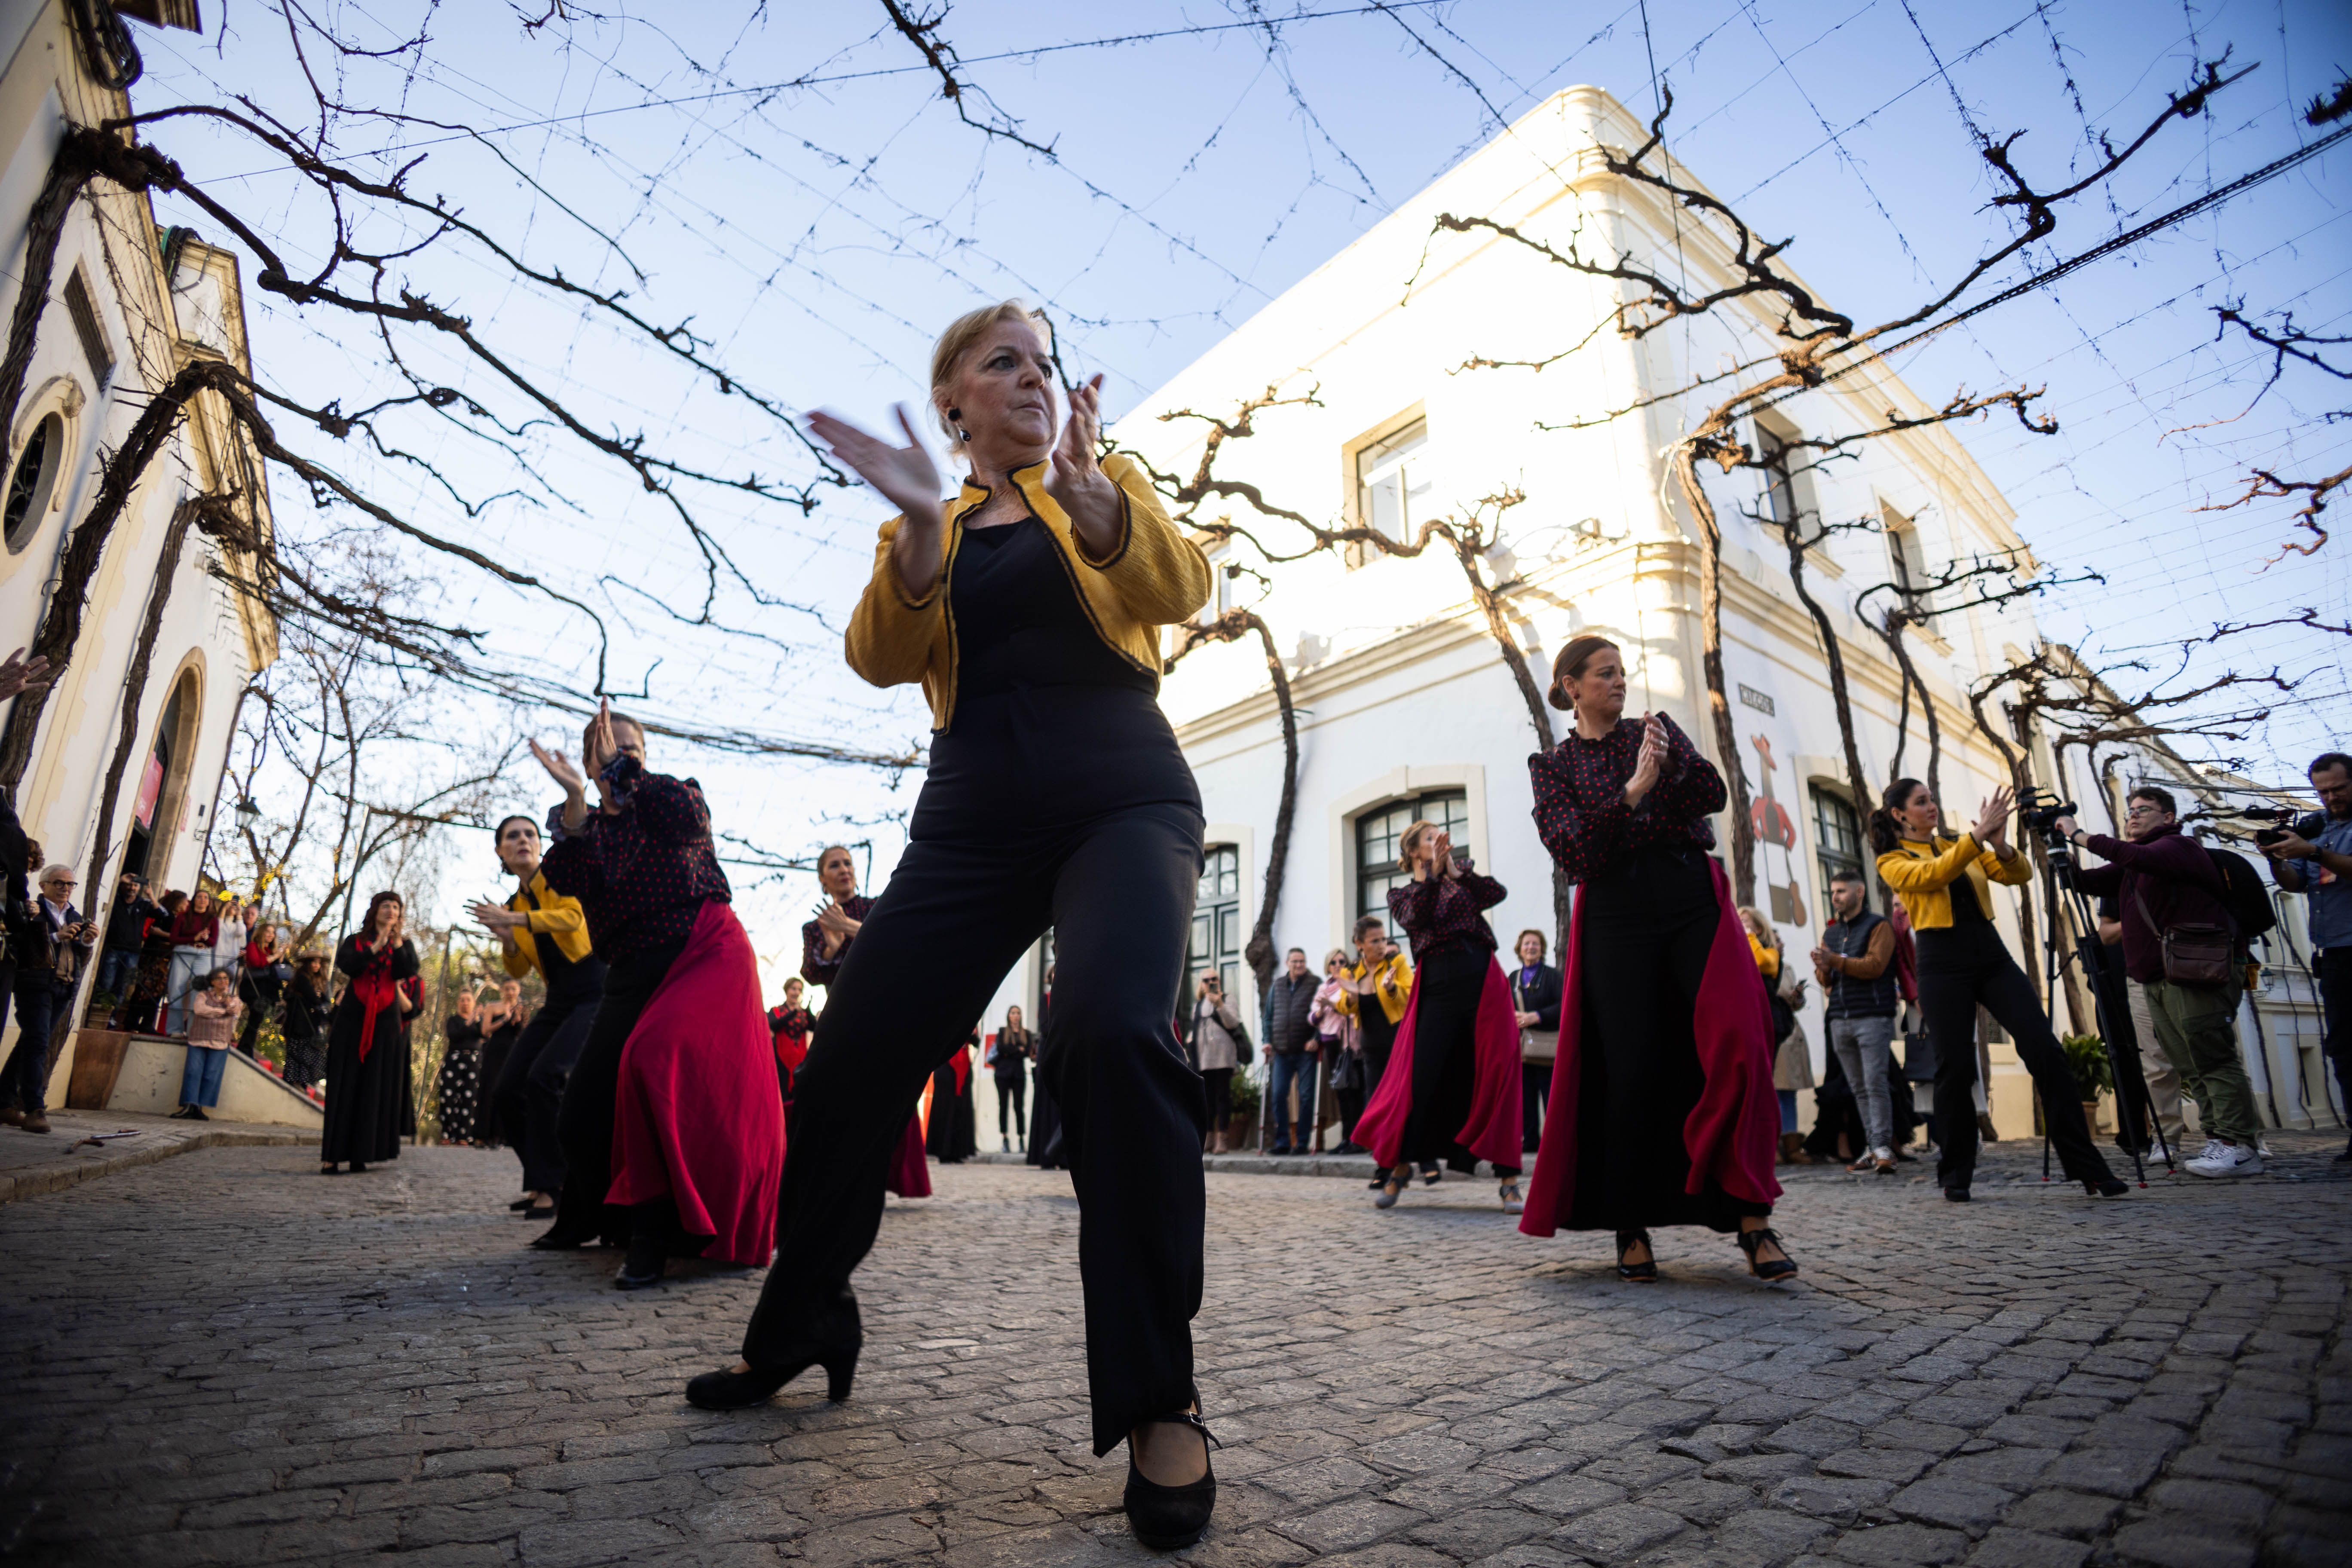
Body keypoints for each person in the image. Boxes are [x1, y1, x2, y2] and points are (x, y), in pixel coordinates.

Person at [695, 300, 1219, 1550]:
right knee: (852, 1061)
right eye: (1004, 363)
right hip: (974, 816)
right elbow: (880, 656)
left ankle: (1161, 1394)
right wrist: (928, 527)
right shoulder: (916, 526)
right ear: (953, 405)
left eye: (1044, 361)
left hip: (1122, 793)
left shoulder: (1103, 481)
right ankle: (807, 1317)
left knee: (1109, 1030)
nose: (1033, 378)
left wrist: (1099, 505)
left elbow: (1183, 585)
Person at [1519, 636, 1794, 1283]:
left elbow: (1713, 795)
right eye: (1605, 674)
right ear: (1571, 686)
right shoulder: (1553, 766)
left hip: (1687, 894)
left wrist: (1667, 766)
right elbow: (1576, 854)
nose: (1620, 682)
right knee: (1630, 1063)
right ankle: (1630, 1225)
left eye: (1622, 672)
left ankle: (1754, 1221)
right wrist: (1633, 791)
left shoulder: (1657, 729)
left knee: (1735, 1043)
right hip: (1614, 914)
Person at [529, 703, 783, 1291]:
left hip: (703, 951)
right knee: (583, 1111)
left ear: (641, 756)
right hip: (629, 971)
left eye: (628, 748)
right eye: (604, 750)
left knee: (651, 1061)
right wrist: (576, 799)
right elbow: (564, 880)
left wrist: (624, 774)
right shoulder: (590, 831)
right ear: (590, 766)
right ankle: (594, 1222)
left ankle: (653, 1239)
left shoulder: (674, 800)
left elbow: (683, 817)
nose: (617, 754)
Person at [1872, 778, 2127, 1203]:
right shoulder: (1893, 860)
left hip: (1990, 954)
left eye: (1932, 798)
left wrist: (2002, 843)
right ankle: (1955, 1173)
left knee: (2046, 1052)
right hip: (1940, 961)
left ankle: (2089, 1168)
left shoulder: (1958, 843)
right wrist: (1976, 838)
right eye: (1921, 802)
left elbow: (2017, 875)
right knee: (1954, 1067)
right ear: (1900, 814)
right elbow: (1934, 875)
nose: (1931, 806)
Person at [2059, 787, 2262, 1178]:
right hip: (2156, 977)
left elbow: (2132, 855)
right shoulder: (2137, 864)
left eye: (2143, 810)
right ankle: (2220, 1140)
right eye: (2130, 811)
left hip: (2195, 971)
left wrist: (2078, 835)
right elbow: (2087, 882)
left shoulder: (2178, 847)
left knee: (2213, 1057)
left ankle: (2242, 1146)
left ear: (2168, 817)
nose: (2133, 817)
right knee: (2190, 1064)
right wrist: (2061, 856)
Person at [1353, 823, 1525, 1214]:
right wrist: (1434, 876)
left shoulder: (1460, 877)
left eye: (1441, 837)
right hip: (1438, 983)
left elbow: (1496, 894)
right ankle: (1399, 1168)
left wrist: (1456, 872)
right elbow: (1417, 917)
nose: (1440, 841)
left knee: (1497, 1071)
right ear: (1414, 851)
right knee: (1421, 1075)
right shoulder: (1402, 894)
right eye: (1430, 838)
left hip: (1482, 975)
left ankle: (1510, 1182)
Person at [472, 813, 605, 1220]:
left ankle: (556, 1186)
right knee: (508, 1089)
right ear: (501, 851)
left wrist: (516, 921)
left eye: (530, 833)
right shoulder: (513, 903)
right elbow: (517, 971)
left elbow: (574, 918)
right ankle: (542, 1179)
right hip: (559, 997)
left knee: (545, 1077)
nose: (523, 840)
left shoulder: (559, 879)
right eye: (513, 836)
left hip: (595, 990)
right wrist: (510, 941)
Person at [800, 847, 928, 1198]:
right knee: (833, 1092)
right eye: (834, 865)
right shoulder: (814, 926)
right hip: (839, 1018)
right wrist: (830, 946)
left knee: (885, 1094)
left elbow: (896, 944)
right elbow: (811, 974)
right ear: (823, 880)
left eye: (847, 863)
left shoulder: (876, 908)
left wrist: (850, 928)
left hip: (881, 1012)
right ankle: (836, 1173)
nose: (843, 869)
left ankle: (880, 1176)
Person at [2266, 751, 2352, 1164]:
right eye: (2323, 792)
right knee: (2344, 1047)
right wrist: (2275, 856)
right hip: (2334, 952)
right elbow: (2296, 883)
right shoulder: (2316, 829)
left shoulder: (2321, 840)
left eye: (2339, 789)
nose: (2331, 798)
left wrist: (2314, 853)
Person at [1810, 869, 1903, 1175]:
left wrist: (1834, 960)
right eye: (1833, 892)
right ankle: (1872, 1147)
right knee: (1858, 1088)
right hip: (1840, 1019)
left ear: (1859, 893)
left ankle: (1882, 1147)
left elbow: (1876, 967)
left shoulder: (1879, 926)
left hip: (1873, 1017)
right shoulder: (1832, 932)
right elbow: (1827, 979)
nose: (1835, 897)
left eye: (1841, 891)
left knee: (1875, 1083)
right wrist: (1822, 967)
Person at [321, 892, 420, 1173]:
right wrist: (377, 945)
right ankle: (332, 1156)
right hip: (353, 1015)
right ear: (375, 910)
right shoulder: (356, 941)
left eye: (396, 907)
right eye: (386, 905)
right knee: (345, 1082)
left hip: (387, 1021)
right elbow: (348, 965)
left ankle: (360, 1155)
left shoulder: (406, 945)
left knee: (374, 1084)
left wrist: (397, 941)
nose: (391, 910)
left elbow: (409, 970)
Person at [1, 865, 96, 1134]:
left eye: (70, 884)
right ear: (43, 885)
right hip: (35, 986)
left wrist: (87, 942)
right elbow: (20, 944)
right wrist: (55, 937)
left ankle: (4, 1102)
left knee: (30, 1043)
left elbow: (79, 957)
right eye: (59, 883)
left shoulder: (75, 915)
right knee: (38, 1042)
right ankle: (34, 1108)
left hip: (63, 988)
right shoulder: (30, 911)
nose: (66, 888)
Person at [1334, 918, 1412, 1174]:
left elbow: (1410, 995)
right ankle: (1383, 1165)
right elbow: (1346, 1007)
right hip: (1370, 1048)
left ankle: (1407, 1160)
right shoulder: (1352, 971)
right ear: (1359, 944)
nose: (1382, 946)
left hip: (1398, 1044)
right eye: (1375, 941)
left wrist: (1392, 988)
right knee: (1376, 1105)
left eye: (1384, 939)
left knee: (1401, 1102)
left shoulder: (1397, 963)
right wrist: (1352, 994)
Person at [1260, 947, 1319, 1155]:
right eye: (1295, 961)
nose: (1299, 965)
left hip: (1305, 1050)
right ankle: (1283, 1142)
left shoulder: (1315, 984)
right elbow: (1268, 1017)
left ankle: (1302, 1142)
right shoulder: (1277, 986)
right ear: (1287, 963)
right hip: (1281, 1051)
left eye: (1302, 961)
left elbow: (1323, 1015)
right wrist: (1267, 1041)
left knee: (1306, 1096)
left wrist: (1316, 1038)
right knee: (1278, 1096)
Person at [1509, 930, 1562, 1157]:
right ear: (1520, 949)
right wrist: (1513, 1016)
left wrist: (1536, 1016)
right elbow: (1502, 1005)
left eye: (1536, 944)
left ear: (1542, 948)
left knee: (1552, 1099)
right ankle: (1530, 1141)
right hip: (1521, 1049)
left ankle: (1556, 1142)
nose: (1531, 947)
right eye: (1527, 943)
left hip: (1547, 1048)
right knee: (1525, 1098)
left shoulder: (1552, 976)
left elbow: (1564, 1005)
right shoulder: (1513, 978)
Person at [171, 968, 243, 1120]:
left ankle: (199, 1107)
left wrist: (226, 1004)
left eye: (226, 979)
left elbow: (235, 1011)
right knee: (193, 1072)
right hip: (199, 1039)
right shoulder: (203, 995)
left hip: (220, 1042)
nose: (223, 981)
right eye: (219, 978)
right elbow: (199, 1010)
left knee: (211, 1076)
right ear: (212, 982)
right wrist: (221, 1011)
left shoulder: (234, 998)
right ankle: (189, 1106)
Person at [115, 890, 184, 1035]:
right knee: (150, 990)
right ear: (177, 902)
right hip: (155, 957)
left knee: (149, 989)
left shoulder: (170, 916)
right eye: (184, 901)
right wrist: (168, 936)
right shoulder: (168, 916)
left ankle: (136, 1021)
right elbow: (170, 936)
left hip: (157, 957)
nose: (186, 904)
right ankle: (140, 1021)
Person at [1191, 974, 1243, 1154]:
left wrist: (1220, 1004)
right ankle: (1209, 1137)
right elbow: (1195, 1031)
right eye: (1206, 980)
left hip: (1223, 1056)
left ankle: (1223, 1138)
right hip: (1203, 1058)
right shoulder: (1198, 1005)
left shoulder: (1228, 999)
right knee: (1206, 1099)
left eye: (1214, 979)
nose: (1211, 982)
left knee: (1222, 1097)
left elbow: (1233, 1023)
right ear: (1202, 984)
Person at [1310, 952, 1356, 1151]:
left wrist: (1332, 1006)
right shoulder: (1324, 987)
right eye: (1333, 962)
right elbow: (1313, 1017)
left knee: (1351, 1090)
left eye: (1342, 962)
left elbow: (1352, 1010)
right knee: (1340, 1091)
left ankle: (1354, 1138)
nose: (1338, 965)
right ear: (1328, 966)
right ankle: (1347, 1138)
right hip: (1330, 1043)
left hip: (1348, 1043)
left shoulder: (1350, 983)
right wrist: (1320, 1012)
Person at [164, 888, 219, 1035]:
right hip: (183, 953)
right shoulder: (182, 917)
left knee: (200, 992)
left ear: (209, 902)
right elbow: (173, 939)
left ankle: (193, 1031)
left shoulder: (213, 920)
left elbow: (214, 942)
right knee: (176, 989)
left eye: (206, 898)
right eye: (200, 897)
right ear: (194, 900)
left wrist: (206, 938)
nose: (203, 899)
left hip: (203, 955)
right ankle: (174, 1030)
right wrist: (194, 938)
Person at [96, 873, 156, 1001]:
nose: (132, 888)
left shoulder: (143, 904)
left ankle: (112, 1017)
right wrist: (119, 879)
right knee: (106, 982)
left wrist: (151, 896)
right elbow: (106, 894)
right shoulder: (116, 899)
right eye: (129, 884)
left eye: (135, 885)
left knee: (123, 986)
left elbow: (163, 914)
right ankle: (100, 1013)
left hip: (133, 952)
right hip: (114, 947)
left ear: (139, 888)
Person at [439, 988, 487, 1145]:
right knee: (449, 1095)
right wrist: (469, 1021)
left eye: (468, 1000)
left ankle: (464, 1136)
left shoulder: (479, 1021)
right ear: (458, 1003)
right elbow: (454, 1035)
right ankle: (448, 1133)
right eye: (462, 1000)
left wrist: (478, 1019)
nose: (465, 1003)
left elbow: (484, 1035)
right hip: (454, 1059)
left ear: (473, 1003)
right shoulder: (453, 1020)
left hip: (473, 1060)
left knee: (470, 1097)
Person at [281, 952, 332, 1093]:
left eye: (319, 963)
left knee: (306, 1051)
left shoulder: (319, 980)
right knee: (297, 1050)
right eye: (314, 962)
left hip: (309, 1022)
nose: (317, 966)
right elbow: (313, 999)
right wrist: (317, 997)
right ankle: (293, 1079)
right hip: (298, 1021)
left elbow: (321, 999)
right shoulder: (302, 978)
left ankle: (302, 1082)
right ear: (308, 964)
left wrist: (319, 997)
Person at [928, 1029, 980, 1163]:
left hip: (964, 1064)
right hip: (946, 1066)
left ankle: (958, 1151)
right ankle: (943, 1151)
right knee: (946, 1107)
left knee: (961, 1108)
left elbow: (976, 1042)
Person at [237, 921, 286, 1057]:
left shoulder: (269, 951)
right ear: (262, 933)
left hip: (265, 990)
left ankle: (246, 1048)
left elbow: (273, 968)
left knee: (257, 1019)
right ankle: (245, 1050)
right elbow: (258, 963)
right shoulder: (253, 946)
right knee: (255, 1018)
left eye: (273, 933)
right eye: (268, 932)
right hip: (253, 987)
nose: (271, 935)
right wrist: (275, 957)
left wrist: (280, 956)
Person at [990, 1003, 1034, 1152]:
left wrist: (1012, 1051)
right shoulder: (1003, 1032)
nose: (1016, 1016)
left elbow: (1027, 1051)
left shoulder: (1026, 1033)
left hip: (1018, 1075)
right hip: (1002, 1074)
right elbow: (1002, 1048)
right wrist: (1017, 1050)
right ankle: (1005, 1139)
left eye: (1018, 1013)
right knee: (1003, 1106)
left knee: (1019, 1107)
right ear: (1009, 1016)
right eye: (1013, 1013)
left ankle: (1022, 1139)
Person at [770, 977, 816, 1107]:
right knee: (783, 1093)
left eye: (799, 990)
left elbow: (815, 1027)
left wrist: (808, 1010)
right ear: (787, 990)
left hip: (800, 1059)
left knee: (799, 1094)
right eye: (793, 989)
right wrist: (794, 1012)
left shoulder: (804, 1014)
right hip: (781, 1060)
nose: (796, 992)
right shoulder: (777, 1011)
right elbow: (774, 1025)